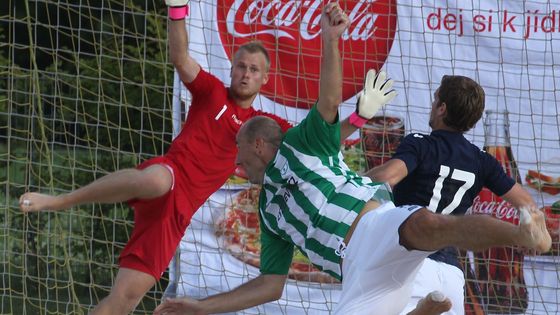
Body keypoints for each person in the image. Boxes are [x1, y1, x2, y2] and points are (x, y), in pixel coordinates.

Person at [153, 4, 551, 315]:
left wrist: (330, 40)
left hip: (374, 226)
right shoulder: (268, 211)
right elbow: (269, 285)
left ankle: (519, 235)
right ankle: (426, 309)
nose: (234, 160)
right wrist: (202, 306)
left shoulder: (300, 143)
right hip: (357, 271)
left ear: (257, 144)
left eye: (237, 149)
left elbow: (328, 100)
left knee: (425, 222)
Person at [365, 75, 539, 314]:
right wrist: (535, 234)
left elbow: (387, 177)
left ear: (442, 108)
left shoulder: (419, 144)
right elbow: (527, 204)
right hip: (451, 275)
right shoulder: (483, 161)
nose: (432, 104)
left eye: (435, 98)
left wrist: (352, 180)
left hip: (410, 264)